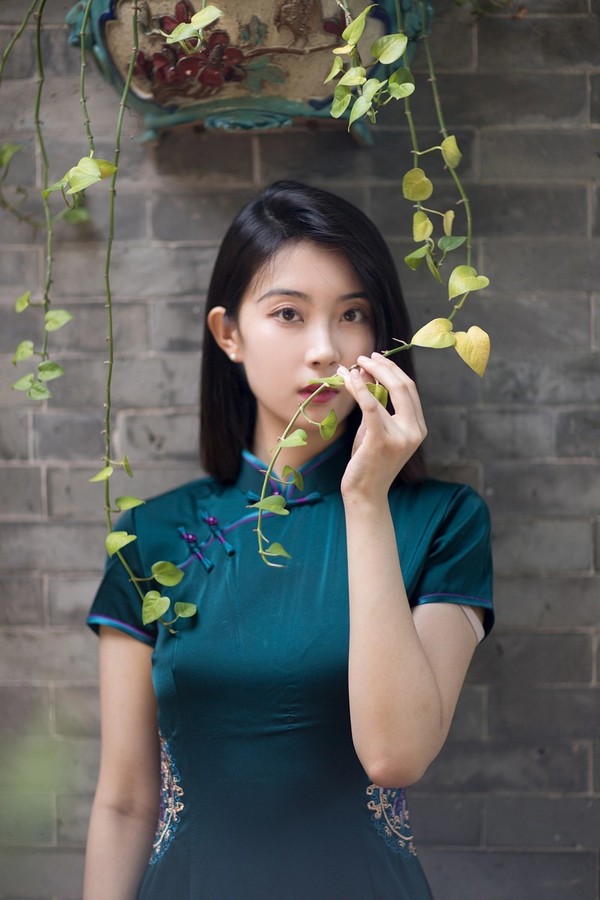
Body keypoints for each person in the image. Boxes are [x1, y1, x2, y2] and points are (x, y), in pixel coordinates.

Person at [83, 180, 493, 900]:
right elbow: (123, 803)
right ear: (229, 334)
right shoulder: (152, 537)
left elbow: (395, 756)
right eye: (288, 314)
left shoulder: (443, 520)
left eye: (353, 315)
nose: (325, 350)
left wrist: (364, 500)